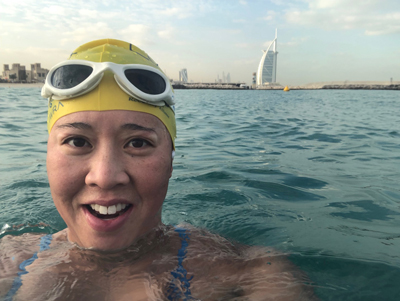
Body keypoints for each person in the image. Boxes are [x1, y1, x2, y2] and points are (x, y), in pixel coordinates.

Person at [0, 39, 317, 300]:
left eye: (137, 143)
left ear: (170, 160)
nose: (105, 176)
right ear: (47, 155)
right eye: (77, 141)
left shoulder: (251, 274)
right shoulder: (9, 261)